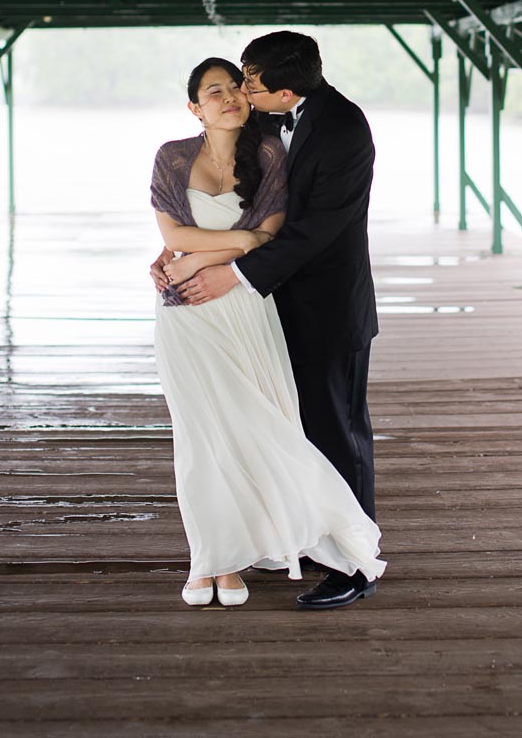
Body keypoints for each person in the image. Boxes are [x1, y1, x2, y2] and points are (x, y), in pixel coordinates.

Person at [152, 33, 380, 611]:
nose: (242, 90)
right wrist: (175, 253)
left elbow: (311, 230)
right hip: (264, 310)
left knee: (337, 432)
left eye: (250, 81)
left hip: (325, 306)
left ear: (284, 90)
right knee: (275, 428)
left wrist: (231, 271)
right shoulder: (261, 124)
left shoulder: (343, 130)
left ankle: (354, 564)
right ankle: (275, 538)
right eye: (235, 82)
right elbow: (211, 202)